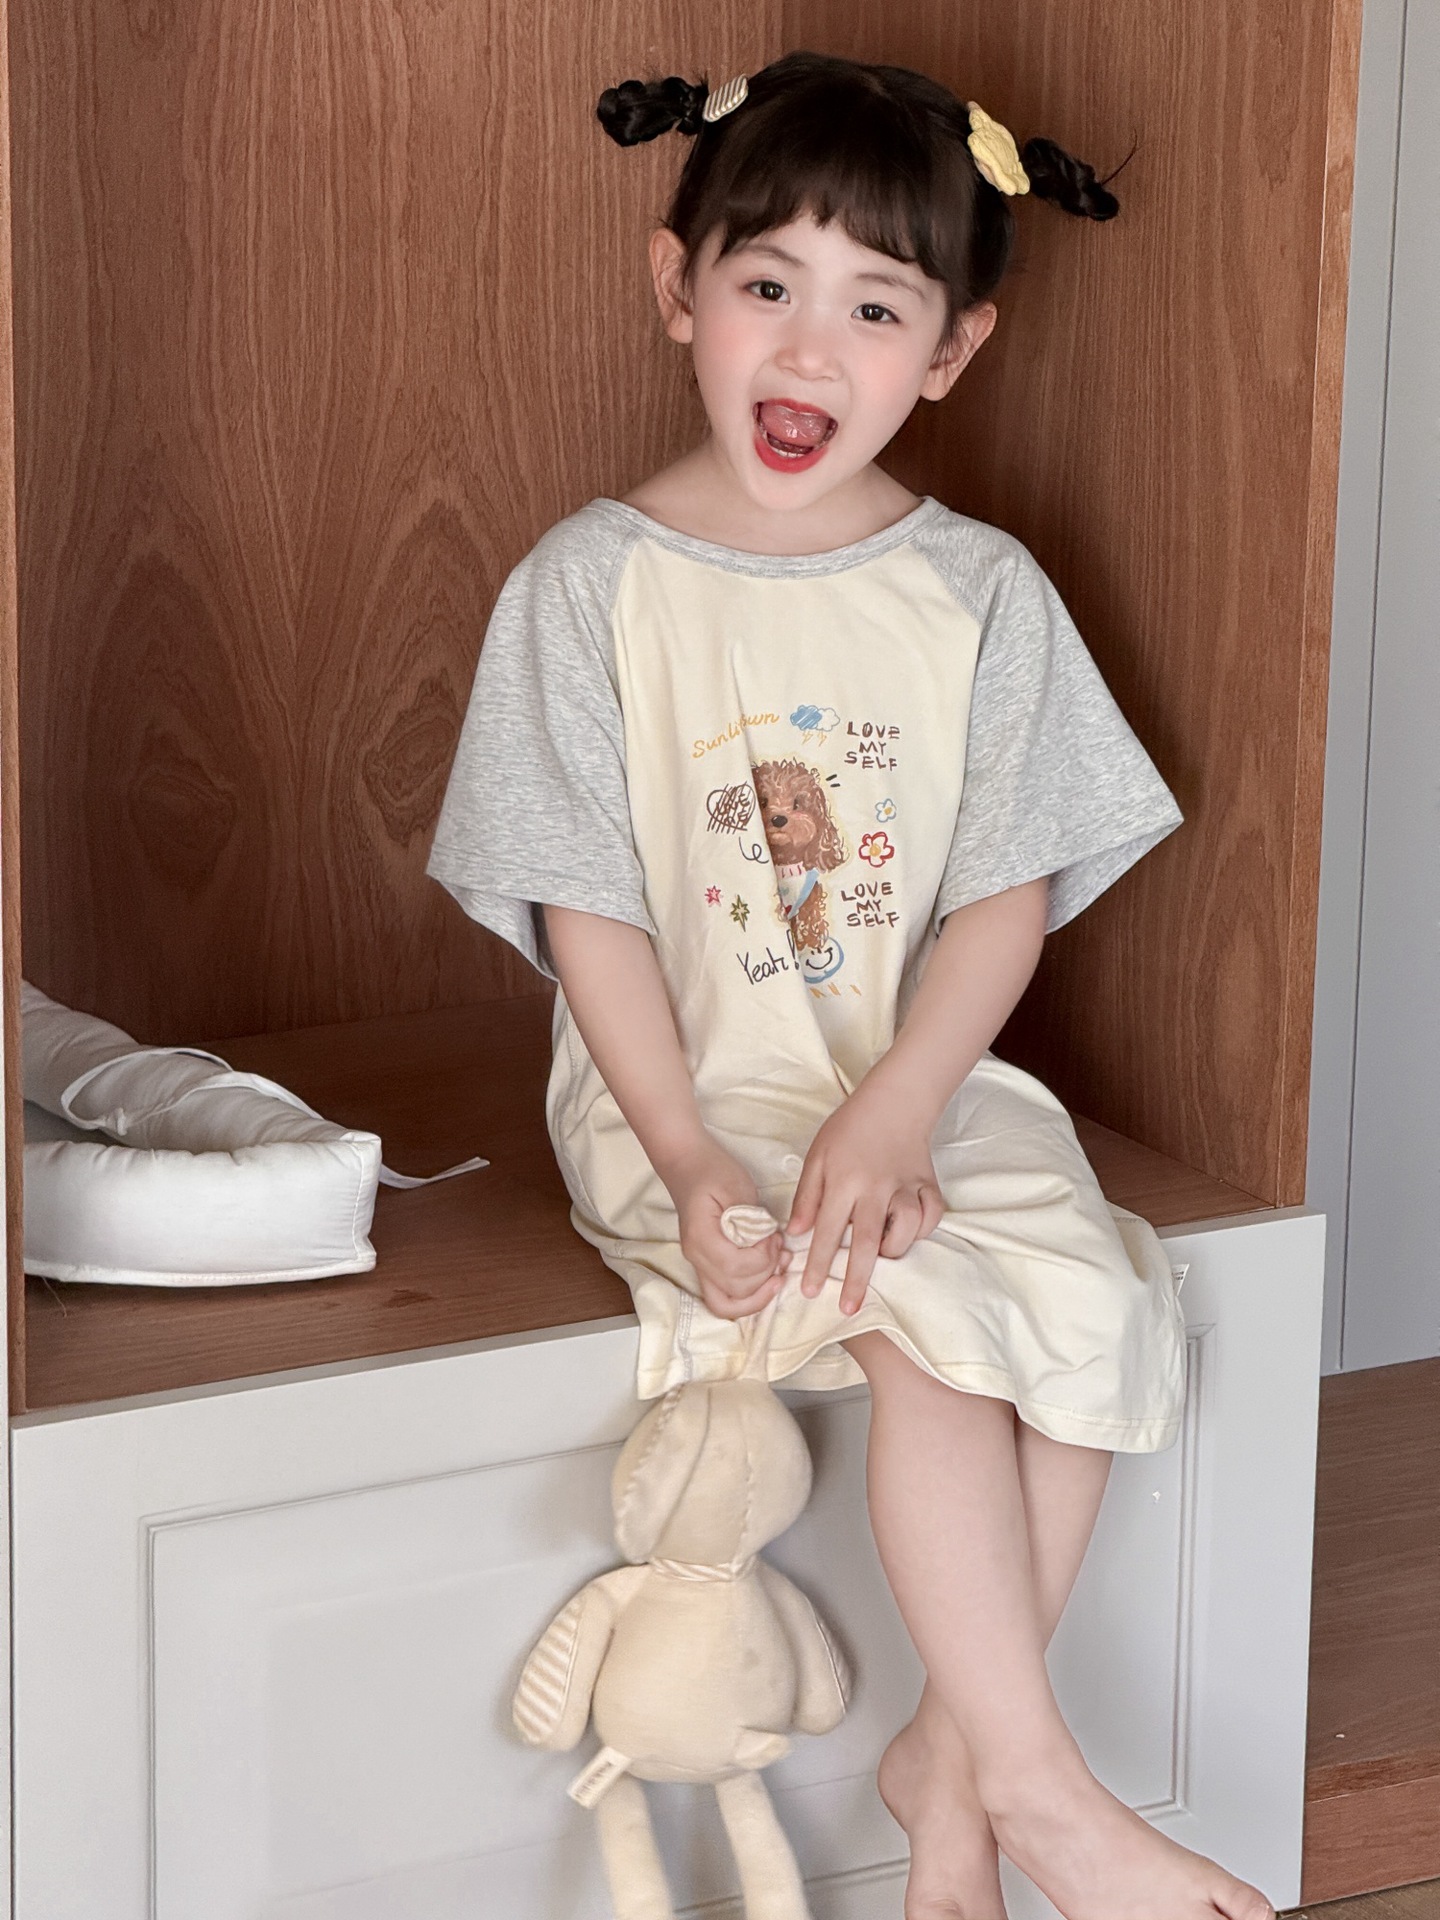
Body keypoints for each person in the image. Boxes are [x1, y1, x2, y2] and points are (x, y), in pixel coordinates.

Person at [428, 51, 1273, 1920]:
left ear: (952, 350)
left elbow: (1003, 898)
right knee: (921, 1321)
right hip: (690, 1090)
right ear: (679, 286)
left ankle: (949, 1784)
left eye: (876, 308)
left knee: (1091, 1296)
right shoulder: (587, 588)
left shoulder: (982, 592)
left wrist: (898, 1110)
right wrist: (686, 1151)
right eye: (768, 285)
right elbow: (589, 915)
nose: (811, 348)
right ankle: (1043, 1795)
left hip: (916, 1076)